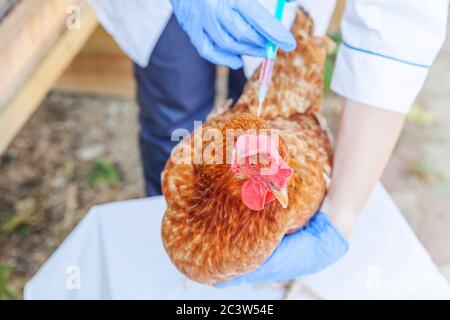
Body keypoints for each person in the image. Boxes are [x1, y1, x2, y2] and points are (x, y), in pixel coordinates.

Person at [87, 0, 449, 285]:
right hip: (161, 6)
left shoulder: (290, 192)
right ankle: (162, 267)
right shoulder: (184, 172)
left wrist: (342, 214)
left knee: (247, 77)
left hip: (280, 21)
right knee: (171, 114)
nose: (282, 183)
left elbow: (399, 22)